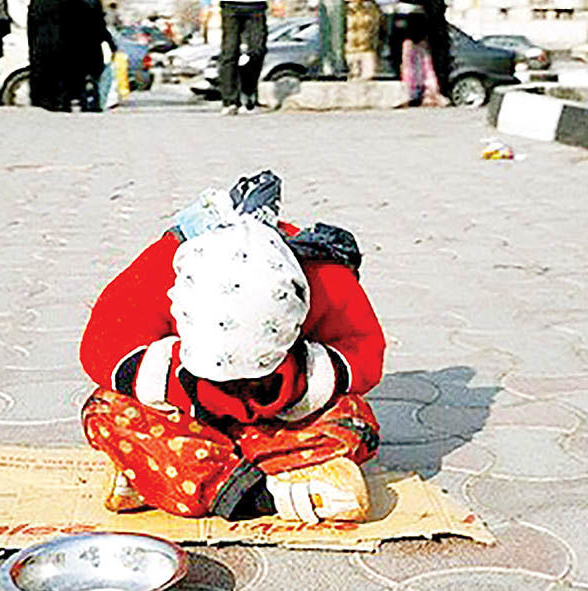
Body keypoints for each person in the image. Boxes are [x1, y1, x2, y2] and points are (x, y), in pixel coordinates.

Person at [79, 171, 386, 523]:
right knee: (105, 411)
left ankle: (165, 476)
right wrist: (174, 383)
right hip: (185, 414)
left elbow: (364, 349)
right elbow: (101, 345)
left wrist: (300, 381)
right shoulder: (161, 269)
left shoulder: (325, 278)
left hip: (283, 417)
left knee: (354, 420)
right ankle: (259, 492)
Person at [218, 0, 268, 114]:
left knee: (257, 50)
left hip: (257, 6)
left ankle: (248, 91)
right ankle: (230, 101)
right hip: (230, 5)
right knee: (230, 52)